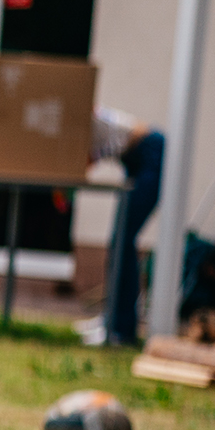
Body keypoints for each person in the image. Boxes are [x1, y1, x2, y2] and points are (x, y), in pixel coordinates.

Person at [94, 107, 162, 346]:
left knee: (123, 242)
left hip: (151, 154)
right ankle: (113, 320)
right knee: (119, 242)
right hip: (135, 160)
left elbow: (83, 161)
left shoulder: (80, 121)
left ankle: (122, 329)